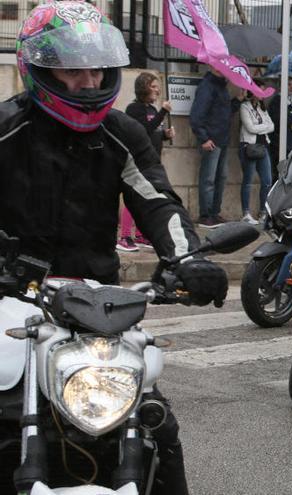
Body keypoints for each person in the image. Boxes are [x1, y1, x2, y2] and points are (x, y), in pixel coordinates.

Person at [0, 3, 229, 493]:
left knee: (154, 425)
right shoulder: (6, 131)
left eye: (96, 68)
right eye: (72, 70)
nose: (88, 81)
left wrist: (187, 258)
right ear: (38, 70)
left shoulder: (121, 133)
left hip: (97, 304)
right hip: (11, 302)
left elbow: (157, 199)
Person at [120, 72, 176, 251]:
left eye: (157, 86)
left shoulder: (152, 109)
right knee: (134, 195)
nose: (157, 90)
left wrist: (165, 135)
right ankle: (125, 236)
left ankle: (141, 234)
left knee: (148, 196)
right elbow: (143, 131)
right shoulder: (134, 109)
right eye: (153, 86)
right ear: (143, 88)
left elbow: (154, 133)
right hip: (138, 160)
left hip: (153, 160)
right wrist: (164, 112)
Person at [190, 67, 243, 228]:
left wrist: (238, 101)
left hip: (221, 140)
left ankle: (214, 212)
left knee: (221, 177)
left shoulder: (221, 86)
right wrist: (204, 138)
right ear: (213, 66)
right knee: (209, 178)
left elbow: (224, 112)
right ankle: (205, 215)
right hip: (212, 140)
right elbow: (196, 116)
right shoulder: (207, 86)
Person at [239, 79, 275, 225]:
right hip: (249, 147)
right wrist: (264, 126)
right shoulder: (245, 106)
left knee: (267, 180)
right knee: (248, 181)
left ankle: (262, 212)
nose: (262, 94)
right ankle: (246, 212)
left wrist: (261, 126)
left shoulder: (262, 108)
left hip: (263, 147)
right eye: (259, 90)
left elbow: (272, 126)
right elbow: (250, 128)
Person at [268, 75, 292, 173]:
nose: (291, 87)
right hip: (280, 144)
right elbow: (278, 121)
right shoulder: (277, 101)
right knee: (279, 172)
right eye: (288, 84)